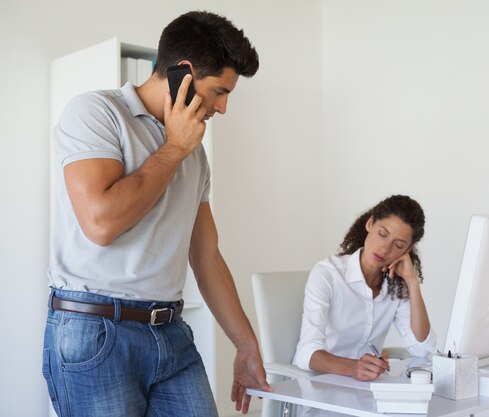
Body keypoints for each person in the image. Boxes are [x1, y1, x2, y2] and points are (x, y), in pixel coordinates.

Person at [43, 11, 271, 417]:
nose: (222, 108)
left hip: (169, 331)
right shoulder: (95, 113)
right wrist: (174, 149)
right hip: (96, 332)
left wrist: (247, 345)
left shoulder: (194, 152)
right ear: (183, 73)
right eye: (219, 91)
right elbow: (101, 222)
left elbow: (207, 256)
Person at [293, 195, 436, 384]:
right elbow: (306, 352)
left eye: (399, 245)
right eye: (382, 234)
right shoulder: (328, 274)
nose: (385, 248)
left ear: (407, 250)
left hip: (367, 395)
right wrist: (353, 367)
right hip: (321, 391)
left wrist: (412, 282)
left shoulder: (395, 287)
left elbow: (422, 348)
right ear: (370, 224)